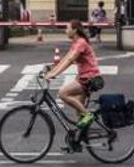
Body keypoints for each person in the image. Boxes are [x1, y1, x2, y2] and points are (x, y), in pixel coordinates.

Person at [44, 19, 104, 150]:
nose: (66, 30)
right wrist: (51, 69)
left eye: (67, 28)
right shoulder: (76, 43)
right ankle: (76, 143)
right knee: (79, 114)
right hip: (83, 78)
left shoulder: (81, 43)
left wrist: (54, 74)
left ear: (75, 30)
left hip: (89, 79)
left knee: (63, 93)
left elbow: (71, 60)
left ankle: (89, 116)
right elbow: (65, 59)